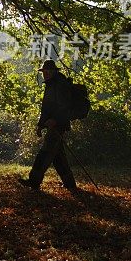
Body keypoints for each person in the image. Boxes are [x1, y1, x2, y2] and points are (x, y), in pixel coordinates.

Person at [18, 59, 78, 192]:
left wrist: (55, 120)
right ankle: (70, 184)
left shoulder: (60, 85)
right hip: (54, 125)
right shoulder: (51, 85)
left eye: (48, 71)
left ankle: (34, 181)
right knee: (58, 158)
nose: (45, 73)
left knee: (44, 153)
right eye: (44, 71)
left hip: (58, 126)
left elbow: (64, 107)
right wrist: (40, 125)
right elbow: (46, 109)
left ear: (54, 71)